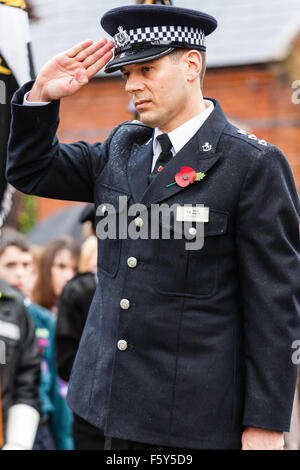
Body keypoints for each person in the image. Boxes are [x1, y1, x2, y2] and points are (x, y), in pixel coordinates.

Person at [6, 4, 300, 450]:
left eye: (147, 68)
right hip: (100, 410)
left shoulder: (251, 165)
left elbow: (276, 307)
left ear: (191, 64)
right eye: (126, 73)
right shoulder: (123, 148)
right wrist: (41, 97)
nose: (132, 85)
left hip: (190, 423)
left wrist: (266, 424)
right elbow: (31, 171)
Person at [0, 227, 73, 450]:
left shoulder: (38, 319)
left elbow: (31, 379)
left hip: (34, 425)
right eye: (11, 265)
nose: (20, 273)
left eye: (26, 265)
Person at [32, 236, 80, 314]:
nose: (69, 276)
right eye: (61, 266)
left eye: (75, 269)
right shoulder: (30, 308)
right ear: (46, 267)